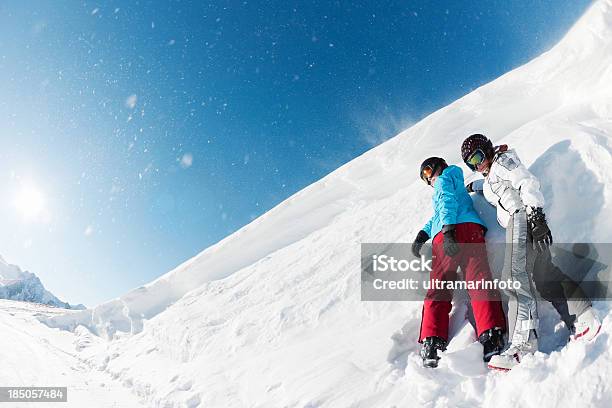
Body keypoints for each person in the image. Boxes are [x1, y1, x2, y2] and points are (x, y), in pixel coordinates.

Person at [461, 134, 602, 371]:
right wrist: (473, 186)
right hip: (523, 222)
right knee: (545, 277)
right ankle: (583, 318)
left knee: (514, 278)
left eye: (478, 157)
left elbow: (525, 182)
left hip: (521, 219)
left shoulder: (503, 162)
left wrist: (537, 217)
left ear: (487, 149)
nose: (477, 165)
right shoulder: (491, 174)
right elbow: (490, 187)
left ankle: (523, 346)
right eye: (471, 164)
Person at [412, 157, 506, 368]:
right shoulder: (455, 182)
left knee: (439, 285)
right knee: (478, 279)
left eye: (428, 172)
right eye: (424, 179)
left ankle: (432, 340)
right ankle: (491, 332)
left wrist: (447, 231)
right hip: (470, 230)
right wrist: (423, 233)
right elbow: (441, 210)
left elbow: (445, 203)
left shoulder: (445, 178)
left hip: (449, 233)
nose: (429, 180)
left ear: (438, 166)